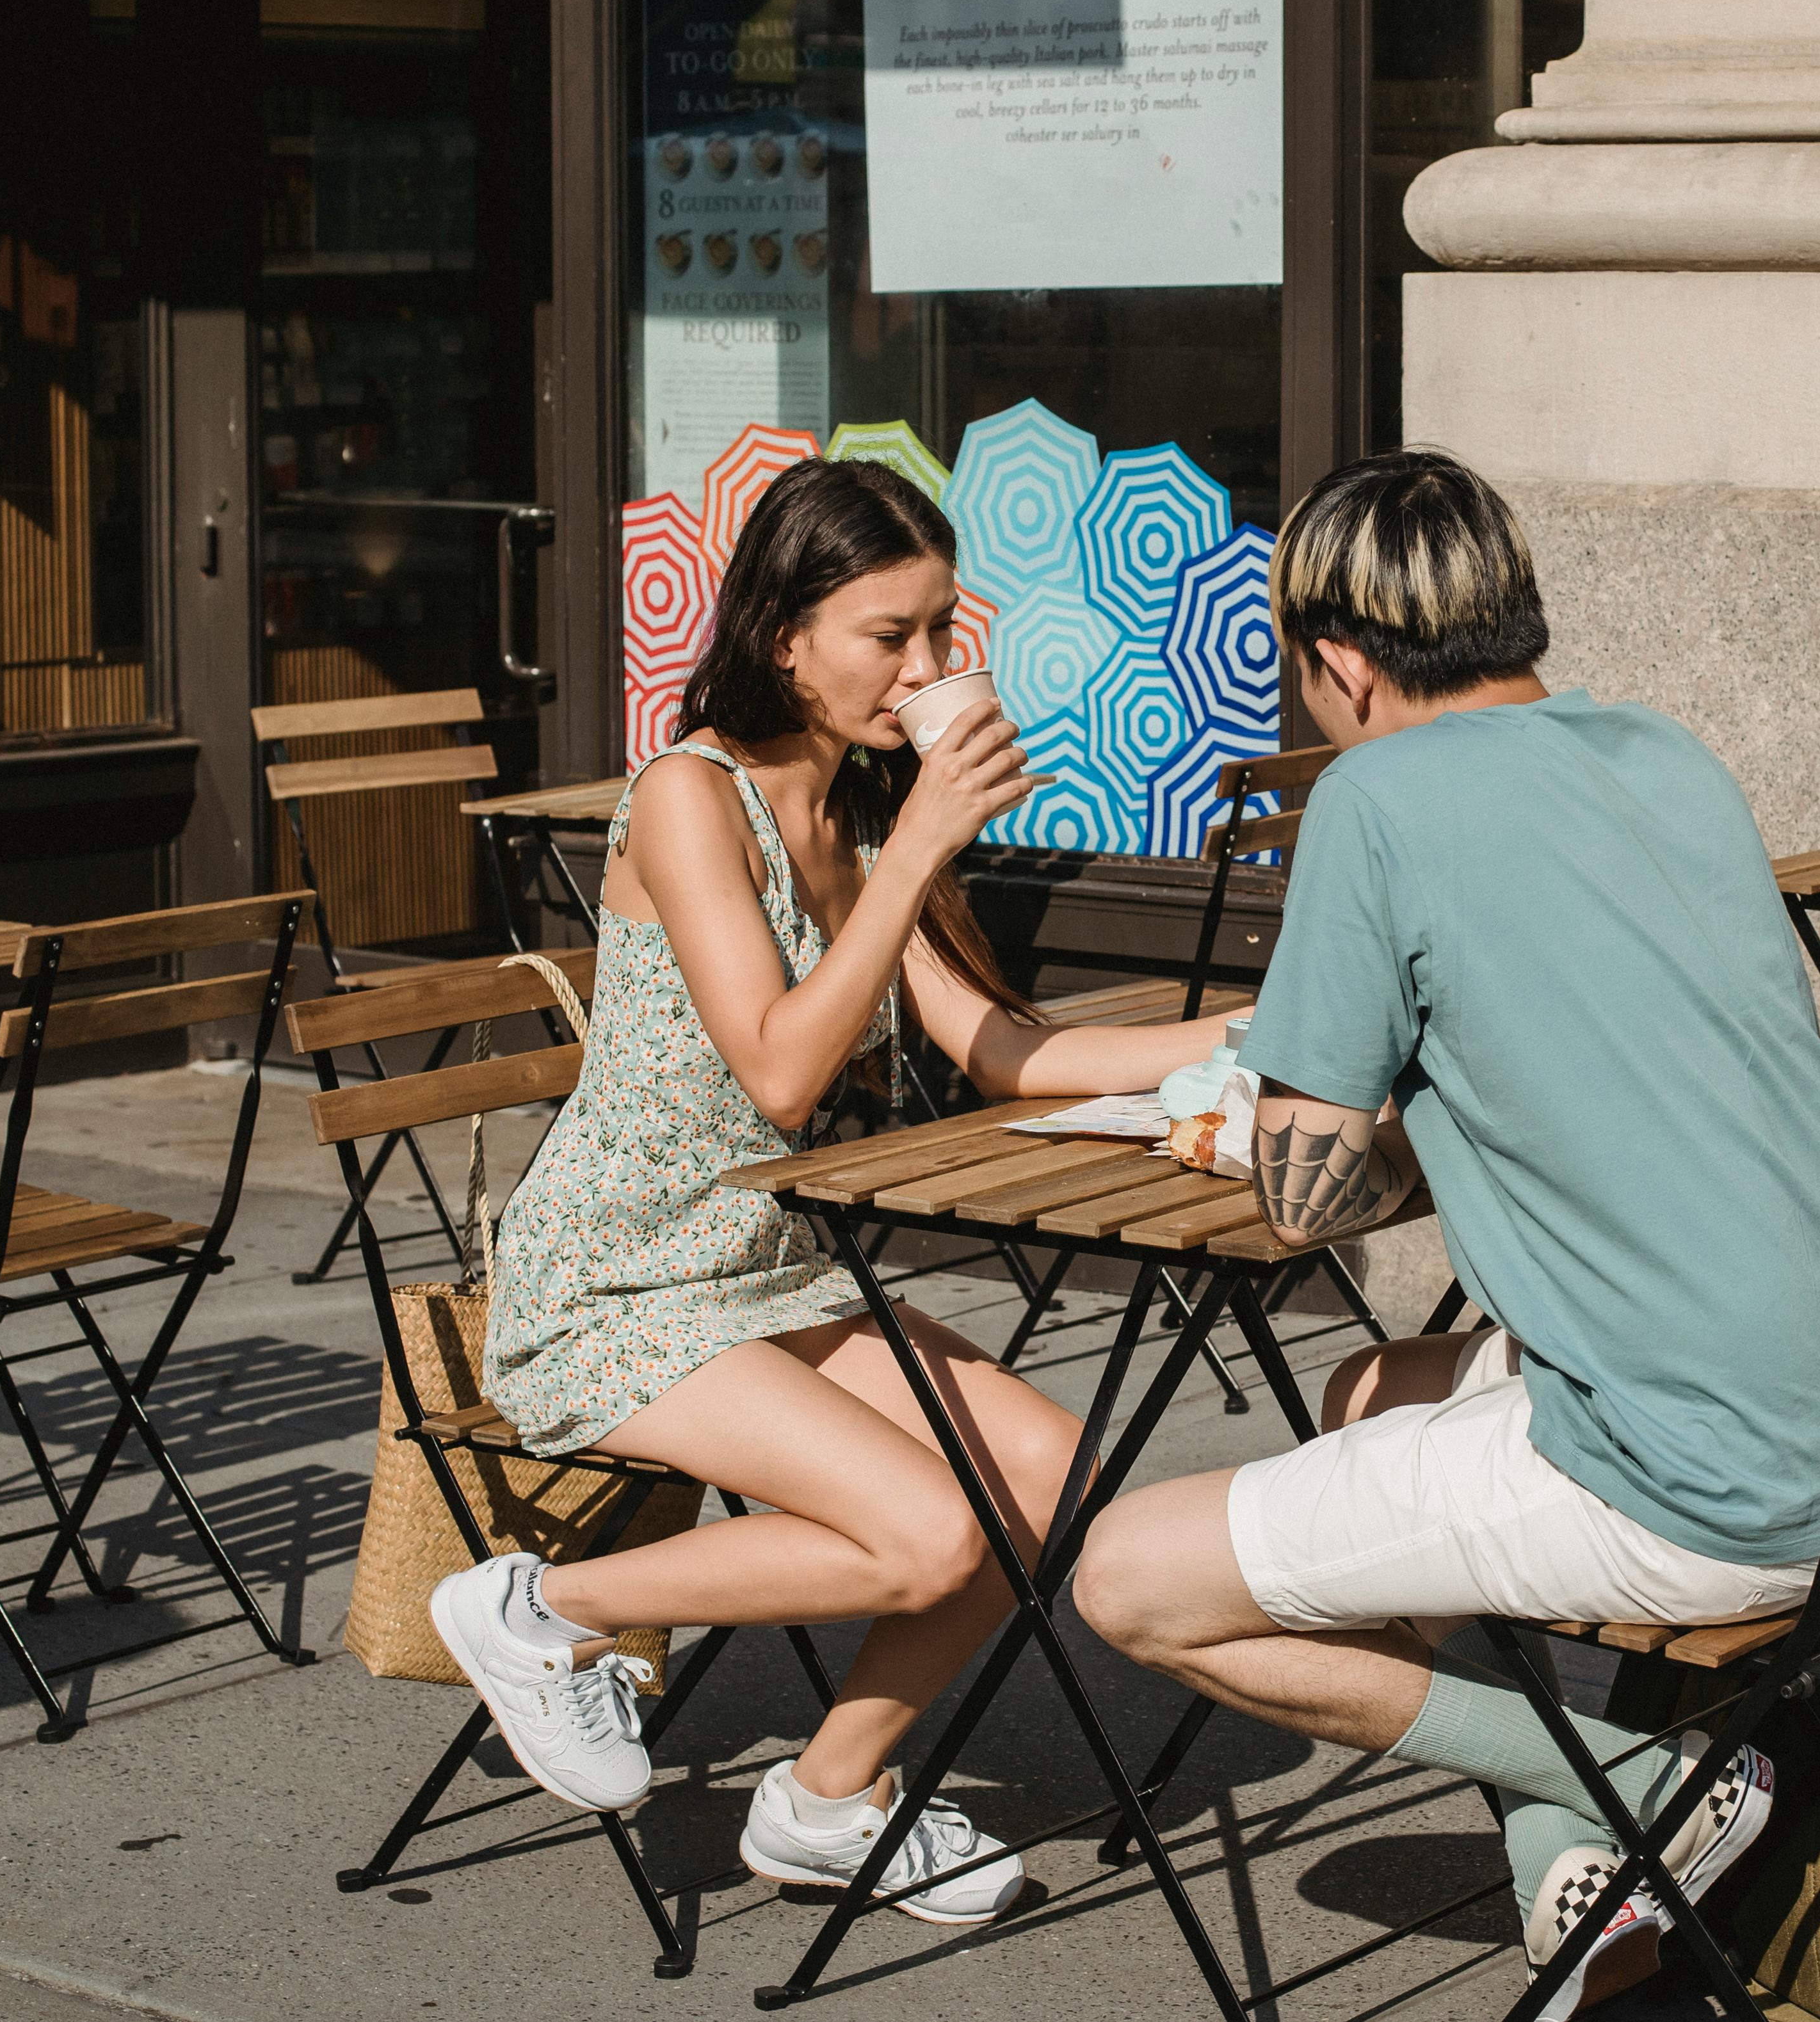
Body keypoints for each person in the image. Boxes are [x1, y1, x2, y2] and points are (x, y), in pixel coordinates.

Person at [1073, 451, 1820, 2008]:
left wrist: (1308, 1123)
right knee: (1366, 1396)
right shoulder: (1668, 754)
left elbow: (1299, 1195)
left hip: (1693, 1482)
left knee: (1124, 1579)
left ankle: (1626, 1778)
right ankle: (1573, 1852)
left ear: (1337, 662)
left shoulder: (1375, 797)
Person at [426, 457, 1237, 1928]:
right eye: (893, 635)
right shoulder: (690, 799)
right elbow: (782, 1075)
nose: (929, 668)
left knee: (1050, 1488)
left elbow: (1005, 1052)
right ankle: (541, 1610)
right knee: (932, 1529)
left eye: (944, 631)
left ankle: (826, 1796)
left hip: (767, 1274)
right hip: (616, 1283)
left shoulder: (856, 823)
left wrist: (1255, 1025)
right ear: (783, 635)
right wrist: (926, 838)